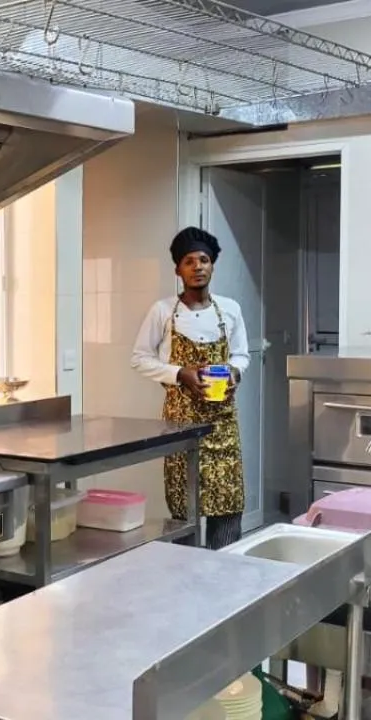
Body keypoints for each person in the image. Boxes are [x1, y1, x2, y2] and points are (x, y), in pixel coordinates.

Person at [130, 227, 250, 548]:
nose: (197, 266)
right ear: (177, 270)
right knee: (184, 512)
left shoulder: (230, 309)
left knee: (228, 507)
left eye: (204, 260)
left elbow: (241, 354)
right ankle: (186, 580)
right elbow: (139, 358)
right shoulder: (163, 311)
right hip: (180, 429)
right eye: (189, 261)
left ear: (212, 266)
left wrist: (235, 374)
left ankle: (223, 581)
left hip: (222, 427)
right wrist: (180, 373)